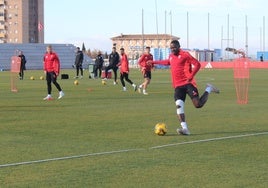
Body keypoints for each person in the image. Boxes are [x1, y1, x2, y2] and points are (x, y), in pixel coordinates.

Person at [149, 40, 219, 135]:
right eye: (171, 48)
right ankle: (185, 129)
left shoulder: (185, 55)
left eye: (174, 47)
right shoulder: (171, 56)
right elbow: (167, 62)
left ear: (179, 46)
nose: (172, 49)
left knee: (198, 105)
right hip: (178, 86)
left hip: (188, 83)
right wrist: (154, 62)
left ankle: (209, 89)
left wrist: (191, 76)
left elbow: (197, 64)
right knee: (179, 106)